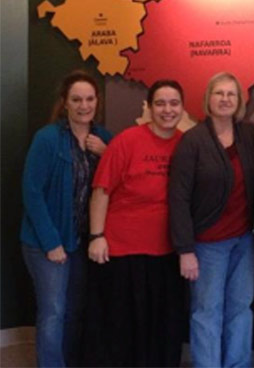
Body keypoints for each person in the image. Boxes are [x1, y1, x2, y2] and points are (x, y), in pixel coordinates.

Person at [86, 80, 185, 367]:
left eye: (174, 103)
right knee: (125, 325)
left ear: (182, 107)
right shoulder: (126, 141)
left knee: (164, 326)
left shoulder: (186, 144)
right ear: (149, 107)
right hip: (123, 250)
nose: (167, 110)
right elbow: (101, 190)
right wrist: (96, 235)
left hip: (167, 250)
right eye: (160, 103)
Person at [21, 71, 112, 367]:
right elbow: (32, 192)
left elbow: (121, 182)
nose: (84, 105)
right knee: (53, 312)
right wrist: (51, 243)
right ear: (65, 103)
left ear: (97, 102)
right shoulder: (47, 139)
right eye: (76, 100)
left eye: (89, 99)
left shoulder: (103, 138)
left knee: (74, 310)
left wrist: (106, 153)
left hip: (82, 243)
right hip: (48, 243)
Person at [168, 72, 254, 368]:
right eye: (219, 93)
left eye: (231, 94)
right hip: (207, 245)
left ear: (239, 101)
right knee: (207, 311)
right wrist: (185, 249)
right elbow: (178, 198)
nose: (225, 99)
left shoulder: (249, 135)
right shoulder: (192, 141)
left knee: (240, 309)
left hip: (244, 242)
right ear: (208, 99)